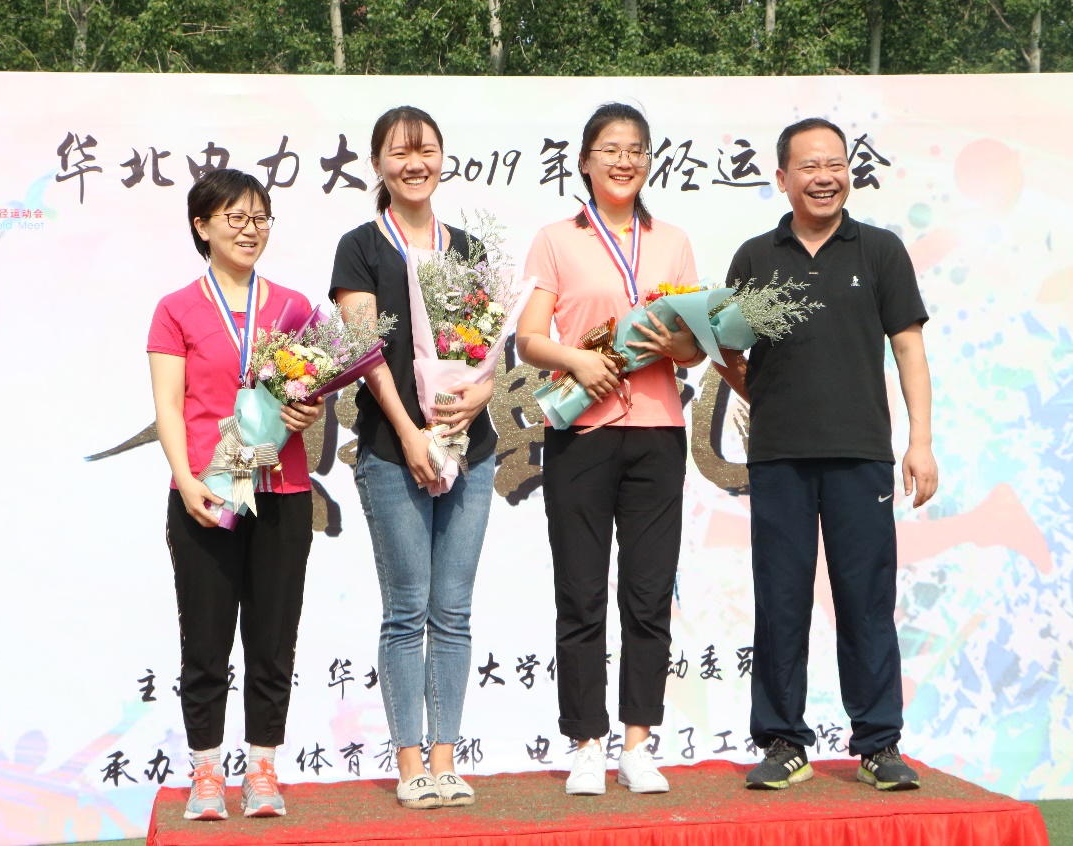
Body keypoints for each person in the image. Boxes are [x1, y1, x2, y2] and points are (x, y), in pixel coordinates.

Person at [715, 117, 938, 791]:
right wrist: (762, 390)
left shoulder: (879, 250)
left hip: (860, 453)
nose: (824, 177)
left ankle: (878, 743)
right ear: (782, 177)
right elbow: (727, 348)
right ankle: (782, 741)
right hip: (778, 455)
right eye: (809, 166)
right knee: (780, 598)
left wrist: (920, 441)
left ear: (849, 172)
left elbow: (908, 348)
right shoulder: (755, 257)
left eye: (835, 164)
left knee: (865, 598)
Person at [515, 102, 705, 796]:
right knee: (581, 593)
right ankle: (586, 744)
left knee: (649, 594)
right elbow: (528, 338)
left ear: (649, 162)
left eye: (635, 150)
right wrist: (578, 360)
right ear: (585, 162)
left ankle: (638, 744)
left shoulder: (673, 241)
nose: (623, 161)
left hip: (657, 433)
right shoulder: (555, 239)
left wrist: (675, 343)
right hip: (581, 435)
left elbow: (695, 348)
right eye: (610, 150)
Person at [329, 106, 496, 810]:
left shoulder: (469, 248)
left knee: (452, 612)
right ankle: (409, 766)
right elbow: (364, 353)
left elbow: (488, 347)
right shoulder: (361, 246)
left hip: (470, 449)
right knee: (407, 610)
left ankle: (446, 760)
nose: (414, 163)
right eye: (399, 153)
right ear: (377, 165)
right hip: (392, 449)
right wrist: (407, 432)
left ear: (442, 158)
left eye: (425, 149)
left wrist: (478, 397)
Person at [147, 168, 323, 820]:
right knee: (206, 639)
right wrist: (186, 477)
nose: (251, 230)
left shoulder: (294, 307)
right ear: (202, 226)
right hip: (207, 494)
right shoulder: (176, 309)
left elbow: (310, 395)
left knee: (273, 639)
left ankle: (263, 768)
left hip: (281, 490)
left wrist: (308, 411)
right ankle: (205, 773)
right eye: (236, 218)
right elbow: (168, 405)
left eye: (260, 218)